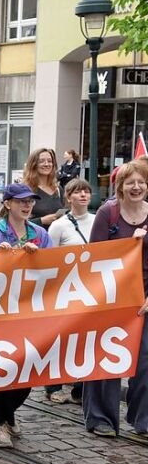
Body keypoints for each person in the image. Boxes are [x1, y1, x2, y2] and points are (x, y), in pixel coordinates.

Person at [0, 183, 52, 448]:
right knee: (6, 368)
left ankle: (9, 414)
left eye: (30, 202)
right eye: (21, 201)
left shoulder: (39, 234)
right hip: (1, 314)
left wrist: (40, 258)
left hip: (31, 312)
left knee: (28, 372)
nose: (27, 206)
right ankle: (0, 423)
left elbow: (56, 266)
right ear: (7, 204)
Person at [85, 161, 148, 440]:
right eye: (130, 183)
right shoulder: (107, 214)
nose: (136, 187)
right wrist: (129, 245)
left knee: (145, 360)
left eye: (141, 182)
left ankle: (142, 421)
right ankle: (101, 418)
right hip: (110, 297)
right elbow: (94, 259)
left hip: (144, 298)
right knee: (108, 357)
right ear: (119, 188)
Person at [45, 178, 94, 405]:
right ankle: (53, 385)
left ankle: (79, 387)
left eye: (86, 191)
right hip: (64, 290)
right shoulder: (59, 226)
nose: (83, 195)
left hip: (90, 289)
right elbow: (50, 258)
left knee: (84, 339)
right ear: (69, 197)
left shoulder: (96, 221)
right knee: (61, 339)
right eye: (77, 192)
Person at [24, 148, 64, 229]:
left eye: (49, 161)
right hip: (34, 239)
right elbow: (16, 223)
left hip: (56, 239)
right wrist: (42, 221)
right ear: (33, 164)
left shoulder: (58, 189)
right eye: (41, 161)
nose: (46, 164)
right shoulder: (25, 190)